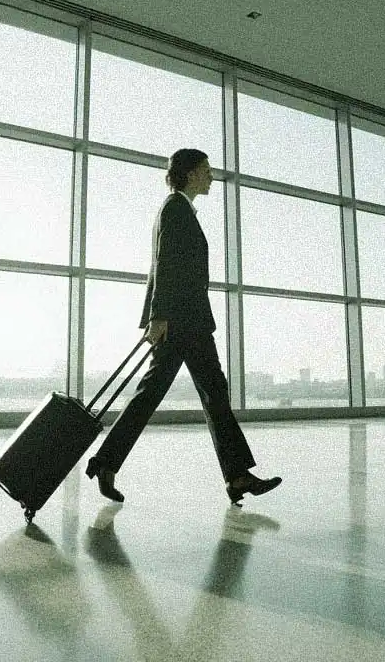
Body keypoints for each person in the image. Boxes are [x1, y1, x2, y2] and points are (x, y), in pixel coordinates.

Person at [85, 148, 281, 506]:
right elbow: (164, 262)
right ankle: (106, 461)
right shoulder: (174, 209)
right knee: (164, 393)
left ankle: (236, 476)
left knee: (211, 393)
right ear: (190, 173)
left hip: (187, 320)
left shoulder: (180, 209)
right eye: (206, 170)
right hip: (179, 321)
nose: (212, 176)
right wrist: (158, 316)